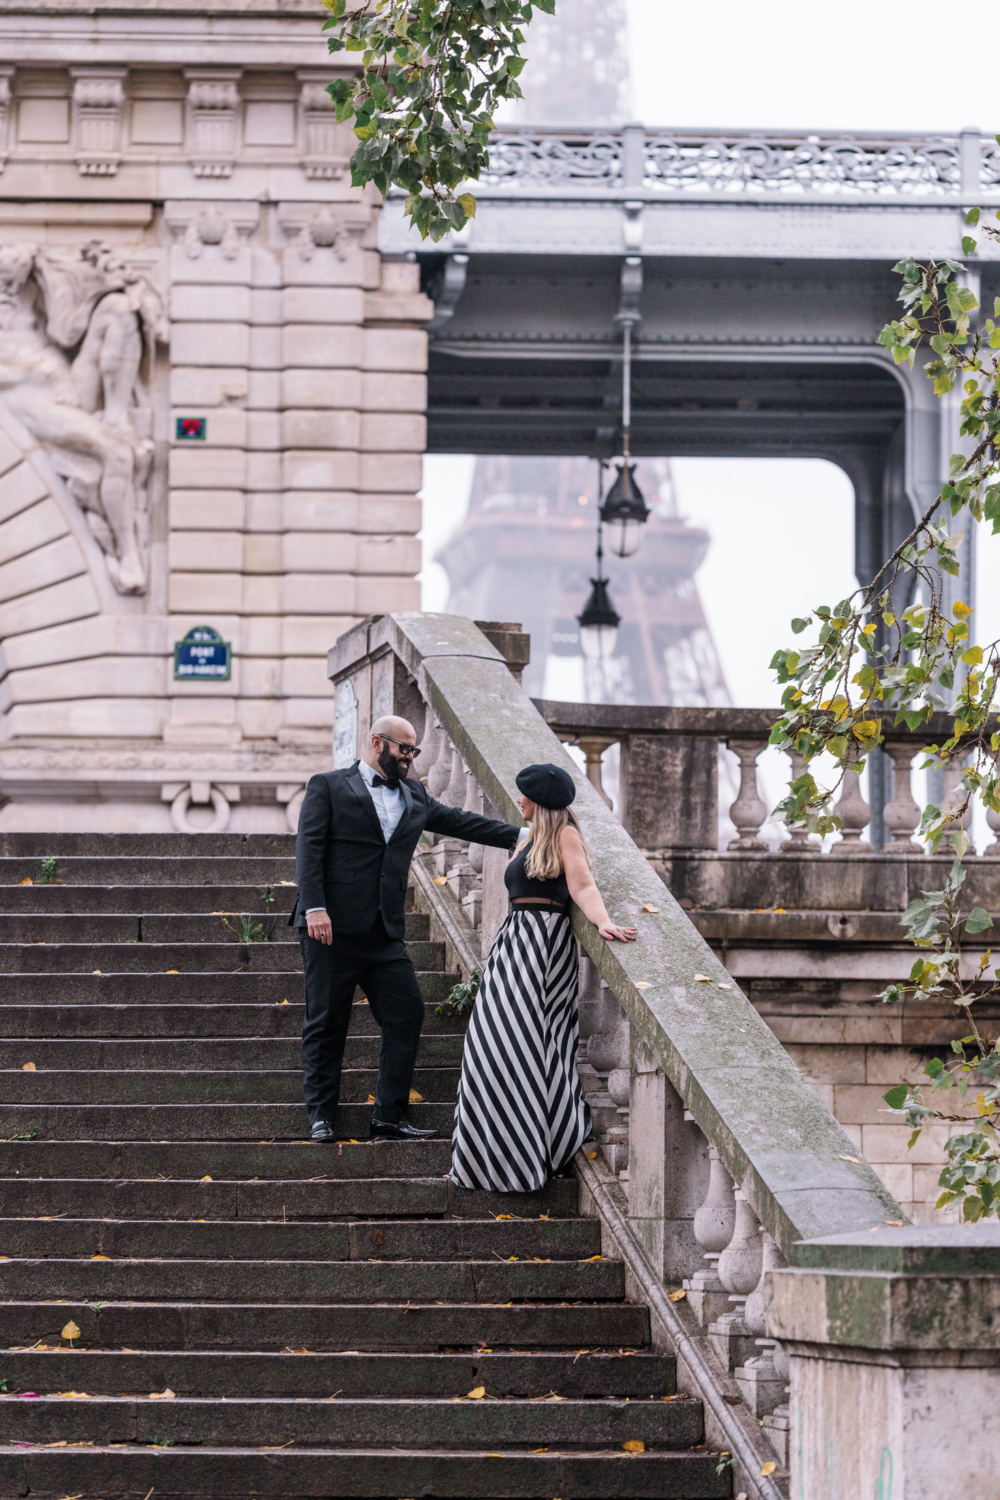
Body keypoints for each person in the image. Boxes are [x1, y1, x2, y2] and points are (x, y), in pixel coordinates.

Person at [292, 715, 521, 1144]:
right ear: (378, 743)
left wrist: (523, 835)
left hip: (383, 934)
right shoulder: (328, 786)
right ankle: (320, 1115)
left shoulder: (414, 793)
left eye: (415, 752)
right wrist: (314, 908)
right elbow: (309, 849)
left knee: (407, 1014)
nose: (411, 759)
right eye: (405, 750)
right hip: (331, 929)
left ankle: (389, 1116)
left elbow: (461, 822)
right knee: (325, 1022)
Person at [450, 761, 636, 1193]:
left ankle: (523, 1160)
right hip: (514, 943)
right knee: (489, 1047)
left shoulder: (565, 835)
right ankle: (487, 1161)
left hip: (543, 948)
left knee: (523, 1048)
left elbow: (583, 886)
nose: (518, 800)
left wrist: (603, 920)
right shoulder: (528, 836)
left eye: (524, 794)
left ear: (540, 801)